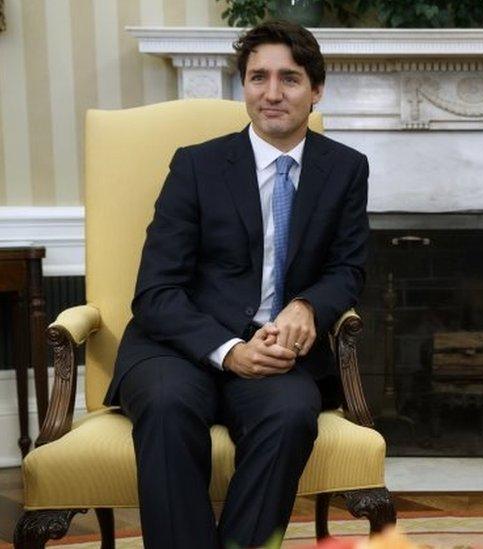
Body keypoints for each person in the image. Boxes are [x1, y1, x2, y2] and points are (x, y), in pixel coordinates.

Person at [105, 20, 370, 548]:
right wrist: (227, 351)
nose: (272, 94)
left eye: (289, 79)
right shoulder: (197, 166)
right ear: (242, 86)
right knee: (165, 404)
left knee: (293, 412)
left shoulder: (345, 169)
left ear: (316, 90)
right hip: (179, 349)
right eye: (258, 78)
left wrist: (306, 306)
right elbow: (155, 291)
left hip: (278, 356)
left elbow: (348, 269)